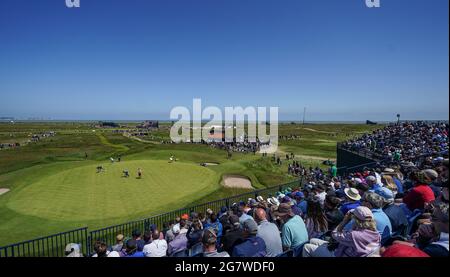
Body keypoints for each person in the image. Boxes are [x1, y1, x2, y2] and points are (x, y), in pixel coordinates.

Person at [302, 206, 381, 257]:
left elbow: (334, 234)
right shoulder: (375, 233)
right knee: (312, 240)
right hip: (347, 250)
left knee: (306, 247)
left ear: (356, 220)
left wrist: (344, 221)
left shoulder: (354, 235)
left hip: (339, 254)